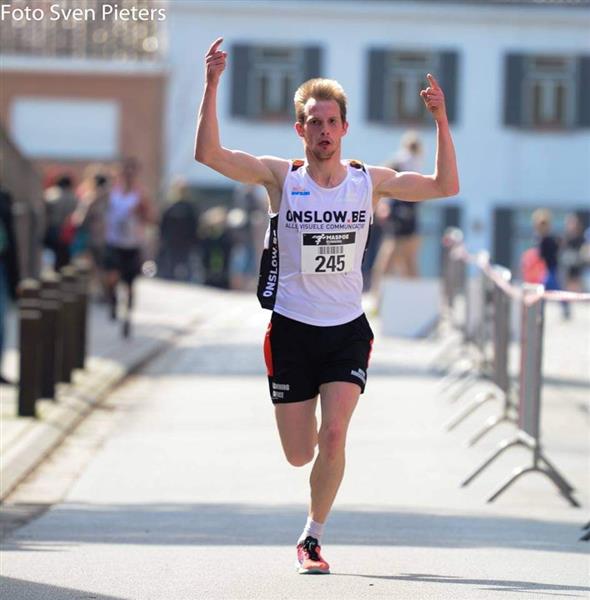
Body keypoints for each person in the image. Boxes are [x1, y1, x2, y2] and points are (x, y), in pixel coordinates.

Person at [194, 37, 459, 574]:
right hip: (291, 329)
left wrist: (441, 121)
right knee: (299, 452)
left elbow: (443, 185)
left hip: (346, 331)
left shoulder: (368, 181)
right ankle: (308, 459)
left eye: (331, 121)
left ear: (344, 128)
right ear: (301, 130)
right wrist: (212, 84)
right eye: (313, 122)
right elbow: (211, 156)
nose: (322, 130)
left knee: (334, 434)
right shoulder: (281, 177)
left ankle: (312, 536)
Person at [104, 158, 157, 337]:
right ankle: (112, 301)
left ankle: (127, 317)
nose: (127, 175)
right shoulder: (112, 192)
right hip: (114, 242)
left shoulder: (140, 195)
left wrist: (140, 213)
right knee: (111, 278)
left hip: (133, 244)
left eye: (131, 172)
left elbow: (151, 218)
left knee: (130, 285)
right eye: (125, 172)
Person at [371, 132, 424, 297]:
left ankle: (383, 299)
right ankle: (383, 299)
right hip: (400, 227)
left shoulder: (407, 162)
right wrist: (383, 205)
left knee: (394, 268)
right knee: (396, 268)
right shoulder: (405, 163)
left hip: (404, 228)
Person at [159, 179, 199, 282]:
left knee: (185, 266)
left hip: (182, 242)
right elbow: (163, 226)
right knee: (174, 266)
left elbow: (194, 226)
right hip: (175, 242)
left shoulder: (189, 208)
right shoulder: (171, 207)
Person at [532, 208, 569, 318]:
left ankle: (564, 307)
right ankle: (541, 309)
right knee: (545, 289)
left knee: (552, 288)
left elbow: (546, 253)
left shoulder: (549, 239)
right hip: (547, 268)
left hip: (552, 268)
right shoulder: (543, 239)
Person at [0, 184, 20, 385]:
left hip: (2, 264)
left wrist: (16, 276)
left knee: (1, 319)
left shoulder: (4, 196)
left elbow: (12, 239)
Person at [43, 174, 78, 271]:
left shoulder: (50, 193)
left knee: (50, 253)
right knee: (62, 254)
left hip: (52, 227)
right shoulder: (72, 197)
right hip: (65, 229)